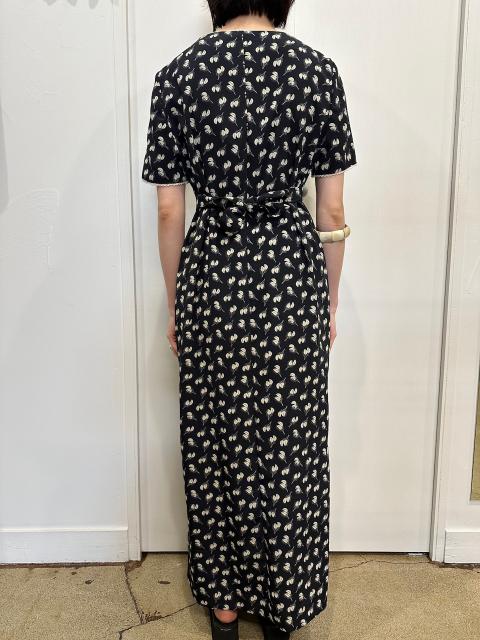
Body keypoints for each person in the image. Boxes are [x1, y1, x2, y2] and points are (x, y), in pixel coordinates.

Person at [141, 1, 357, 638]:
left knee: (218, 438)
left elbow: (169, 211)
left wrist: (178, 301)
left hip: (212, 277)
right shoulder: (316, 71)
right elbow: (332, 209)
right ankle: (283, 603)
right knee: (288, 441)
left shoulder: (178, 75)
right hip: (290, 277)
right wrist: (328, 299)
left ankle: (226, 607)